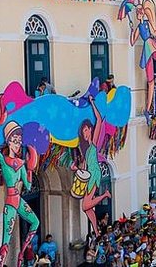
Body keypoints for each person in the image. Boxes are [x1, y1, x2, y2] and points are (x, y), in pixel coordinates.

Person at [0, 94, 39, 267]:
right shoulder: (3, 160)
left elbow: (29, 185)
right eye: (14, 140)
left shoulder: (22, 164)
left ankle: (22, 253)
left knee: (35, 222)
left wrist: (30, 170)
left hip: (19, 200)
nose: (17, 144)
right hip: (10, 203)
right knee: (5, 241)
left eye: (19, 141)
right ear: (9, 141)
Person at [70, 95, 111, 236]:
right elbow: (83, 165)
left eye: (87, 129)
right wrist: (76, 168)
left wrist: (92, 103)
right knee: (87, 209)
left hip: (94, 173)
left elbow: (99, 120)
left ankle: (105, 194)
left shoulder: (93, 143)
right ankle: (96, 231)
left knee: (85, 205)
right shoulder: (83, 147)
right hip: (88, 174)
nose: (85, 133)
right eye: (83, 131)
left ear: (90, 129)